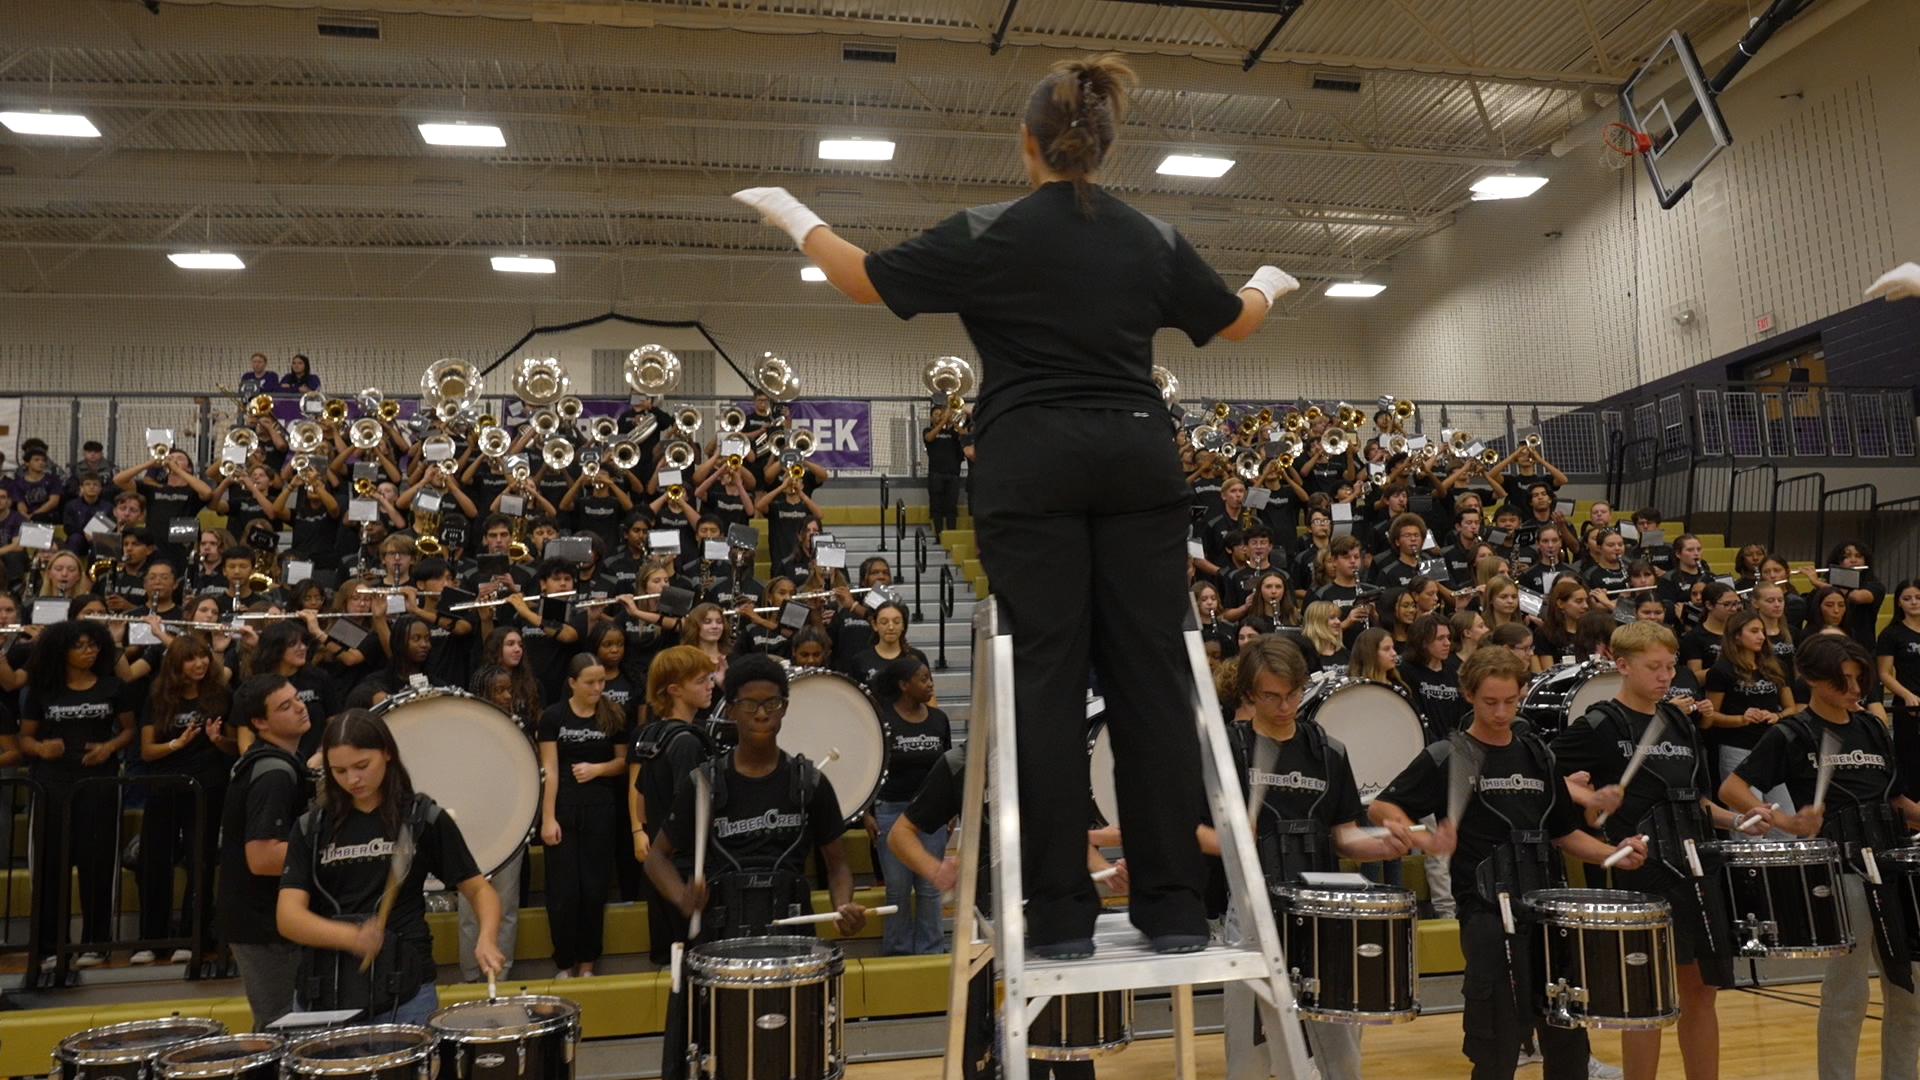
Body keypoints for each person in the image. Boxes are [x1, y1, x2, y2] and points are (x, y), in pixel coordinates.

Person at [732, 52, 1292, 956]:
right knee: (1152, 683)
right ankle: (1175, 910)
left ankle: (1062, 918)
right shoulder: (1149, 236)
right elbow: (1235, 320)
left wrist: (792, 211)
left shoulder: (990, 230)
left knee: (1047, 680)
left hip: (1031, 460)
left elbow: (865, 279)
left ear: (1026, 144)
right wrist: (1270, 280)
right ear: (1104, 146)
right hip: (1138, 457)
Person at [1370, 647, 1645, 1080]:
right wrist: (1417, 833)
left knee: (1566, 1035)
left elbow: (1564, 833)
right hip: (1487, 911)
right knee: (1497, 1043)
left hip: (1548, 910)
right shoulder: (1449, 755)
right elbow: (1383, 806)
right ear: (1468, 695)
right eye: (1489, 702)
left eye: (1510, 702)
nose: (1501, 712)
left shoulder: (1539, 755)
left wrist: (1613, 854)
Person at [1554, 621, 1765, 1080]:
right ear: (1622, 665)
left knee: (1701, 991)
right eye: (1654, 667)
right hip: (1642, 871)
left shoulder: (1679, 723)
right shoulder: (1598, 725)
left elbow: (1699, 801)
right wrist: (1589, 801)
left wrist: (1737, 820)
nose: (1666, 676)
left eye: (1670, 666)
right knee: (1645, 997)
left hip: (1696, 860)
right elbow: (1547, 781)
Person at [646, 655, 866, 1080]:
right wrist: (682, 895)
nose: (762, 713)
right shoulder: (704, 782)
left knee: (794, 1056)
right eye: (750, 704)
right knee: (723, 1056)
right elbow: (657, 857)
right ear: (730, 709)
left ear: (785, 707)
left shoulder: (810, 783)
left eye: (772, 703)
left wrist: (844, 907)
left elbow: (837, 863)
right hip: (722, 941)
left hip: (795, 939)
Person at [1719, 634, 1920, 1080]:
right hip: (1843, 867)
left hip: (1891, 864)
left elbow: (1897, 800)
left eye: (1859, 680)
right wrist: (1787, 824)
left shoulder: (1870, 726)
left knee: (1909, 993)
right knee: (1848, 993)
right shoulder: (1791, 732)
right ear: (1811, 678)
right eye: (1843, 681)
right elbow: (1731, 789)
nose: (1854, 690)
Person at [1215, 636, 1410, 1079]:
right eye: (1271, 696)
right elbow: (1192, 832)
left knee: (1340, 1054)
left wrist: (1383, 844)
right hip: (1252, 908)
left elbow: (1344, 836)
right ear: (1248, 693)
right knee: (1249, 1058)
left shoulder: (1328, 751)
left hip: (1323, 908)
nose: (1285, 706)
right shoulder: (1227, 750)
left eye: (1293, 694)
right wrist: (1232, 838)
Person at [277, 709, 504, 1024]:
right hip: (323, 989)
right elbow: (288, 917)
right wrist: (349, 937)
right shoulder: (311, 827)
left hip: (406, 989)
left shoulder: (422, 819)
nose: (352, 779)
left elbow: (478, 889)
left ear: (386, 753)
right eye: (339, 771)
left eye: (362, 766)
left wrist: (487, 937)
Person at [19, 619, 138, 971]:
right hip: (52, 785)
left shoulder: (113, 687)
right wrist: (41, 749)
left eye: (94, 645)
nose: (90, 651)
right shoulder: (43, 690)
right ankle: (50, 946)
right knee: (51, 865)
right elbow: (25, 737)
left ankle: (96, 943)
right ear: (61, 651)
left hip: (98, 784)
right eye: (80, 646)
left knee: (97, 864)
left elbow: (130, 731)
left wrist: (109, 747)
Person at [136, 635, 239, 966]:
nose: (200, 663)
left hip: (207, 788)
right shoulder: (158, 697)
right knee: (155, 863)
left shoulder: (220, 696)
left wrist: (217, 740)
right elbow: (146, 751)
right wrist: (176, 745)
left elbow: (235, 745)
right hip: (165, 788)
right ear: (176, 664)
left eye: (204, 657)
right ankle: (151, 939)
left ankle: (192, 936)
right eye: (191, 659)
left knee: (201, 862)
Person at [216, 675, 312, 1027]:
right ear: (259, 722)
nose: (300, 706)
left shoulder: (281, 762)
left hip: (267, 919)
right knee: (282, 1026)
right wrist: (331, 852)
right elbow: (263, 857)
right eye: (285, 706)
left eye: (297, 697)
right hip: (263, 923)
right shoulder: (273, 773)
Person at [539, 653, 631, 978]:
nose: (597, 688)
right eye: (590, 682)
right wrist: (548, 818)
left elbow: (624, 763)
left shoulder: (613, 715)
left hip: (601, 809)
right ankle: (564, 963)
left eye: (601, 681)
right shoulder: (553, 716)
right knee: (563, 893)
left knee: (594, 890)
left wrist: (597, 769)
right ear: (572, 683)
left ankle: (588, 963)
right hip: (563, 807)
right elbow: (548, 768)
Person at [630, 645, 719, 964]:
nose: (710, 685)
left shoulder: (651, 734)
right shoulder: (688, 743)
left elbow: (640, 807)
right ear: (674, 690)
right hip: (688, 876)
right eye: (700, 680)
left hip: (660, 873)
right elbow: (693, 814)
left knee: (674, 968)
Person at [866, 655, 953, 956]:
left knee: (930, 887)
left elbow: (949, 767)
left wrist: (951, 808)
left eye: (930, 678)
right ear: (903, 685)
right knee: (897, 890)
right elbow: (869, 766)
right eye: (923, 679)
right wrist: (867, 812)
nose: (930, 684)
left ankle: (931, 951)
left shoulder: (938, 719)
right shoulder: (883, 719)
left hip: (930, 815)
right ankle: (898, 954)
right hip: (891, 810)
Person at [1878, 580, 1920, 796]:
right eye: (1907, 598)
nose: (1913, 602)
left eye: (1918, 597)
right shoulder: (1892, 633)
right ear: (1899, 603)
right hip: (1909, 706)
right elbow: (1884, 673)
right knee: (1911, 762)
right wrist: (1907, 695)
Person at [924, 401, 970, 535]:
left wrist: (953, 422)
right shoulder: (927, 430)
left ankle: (951, 534)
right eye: (936, 414)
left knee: (951, 506)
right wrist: (943, 421)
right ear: (931, 418)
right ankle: (938, 534)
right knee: (937, 505)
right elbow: (930, 438)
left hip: (953, 474)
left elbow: (965, 436)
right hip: (936, 474)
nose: (939, 416)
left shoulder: (952, 433)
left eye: (941, 414)